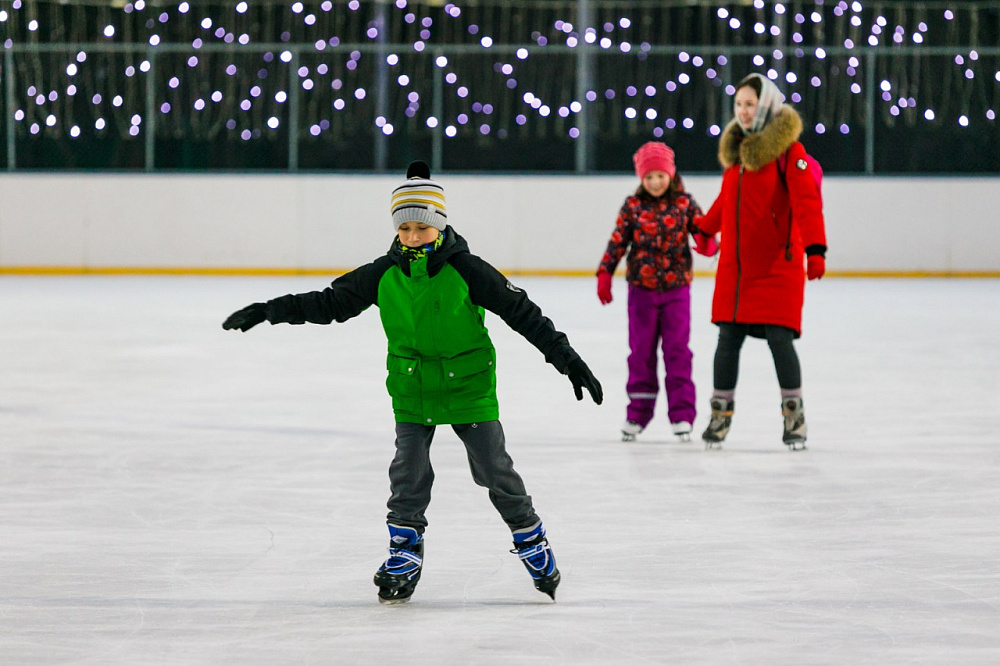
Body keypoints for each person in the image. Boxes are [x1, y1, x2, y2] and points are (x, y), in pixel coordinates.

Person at [222, 161, 603, 604]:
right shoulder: (383, 272)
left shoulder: (468, 269)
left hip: (468, 386)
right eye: (405, 229)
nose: (413, 237)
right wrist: (269, 309)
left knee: (494, 469)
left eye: (422, 228)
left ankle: (531, 539)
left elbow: (523, 314)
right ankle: (404, 553)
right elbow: (329, 304)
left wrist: (566, 358)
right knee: (408, 474)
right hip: (412, 386)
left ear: (439, 226)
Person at [693, 73, 827, 450]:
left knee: (780, 340)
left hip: (775, 267)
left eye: (750, 104)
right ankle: (720, 416)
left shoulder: (788, 153)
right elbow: (727, 202)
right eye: (739, 105)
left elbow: (806, 203)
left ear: (766, 105)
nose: (743, 111)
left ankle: (794, 416)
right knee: (726, 340)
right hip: (735, 271)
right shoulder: (737, 154)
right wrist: (705, 227)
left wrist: (815, 249)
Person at [596, 141, 715, 443]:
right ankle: (637, 413)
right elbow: (617, 242)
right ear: (641, 179)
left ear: (671, 174)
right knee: (641, 354)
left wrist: (708, 244)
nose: (655, 182)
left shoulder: (686, 204)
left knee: (678, 353)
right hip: (642, 293)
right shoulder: (633, 206)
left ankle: (682, 415)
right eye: (648, 177)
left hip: (677, 291)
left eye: (660, 175)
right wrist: (605, 274)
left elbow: (703, 232)